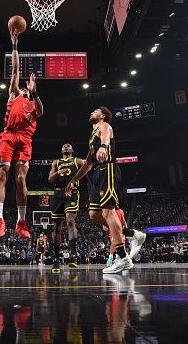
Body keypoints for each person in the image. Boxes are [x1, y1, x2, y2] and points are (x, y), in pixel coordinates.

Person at [65, 107, 133, 274]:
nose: (91, 113)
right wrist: (73, 181)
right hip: (96, 173)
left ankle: (123, 258)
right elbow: (88, 164)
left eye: (95, 111)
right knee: (94, 215)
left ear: (102, 115)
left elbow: (106, 135)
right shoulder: (92, 136)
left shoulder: (104, 125)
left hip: (107, 169)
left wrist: (103, 147)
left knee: (109, 213)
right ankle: (132, 234)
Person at [0, 29, 44, 239]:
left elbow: (41, 111)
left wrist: (35, 92)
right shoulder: (14, 94)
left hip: (25, 139)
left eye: (27, 89)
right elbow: (15, 69)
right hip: (8, 136)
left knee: (21, 180)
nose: (25, 88)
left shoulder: (32, 103)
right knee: (1, 176)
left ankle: (21, 222)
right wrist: (14, 45)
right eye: (25, 88)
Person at [48, 143, 84, 272]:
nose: (66, 147)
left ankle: (73, 256)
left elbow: (88, 167)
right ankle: (56, 259)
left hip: (72, 192)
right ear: (61, 150)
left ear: (72, 150)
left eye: (69, 146)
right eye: (64, 146)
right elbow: (50, 179)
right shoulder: (56, 163)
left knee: (70, 221)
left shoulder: (77, 161)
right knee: (57, 227)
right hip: (58, 194)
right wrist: (58, 172)